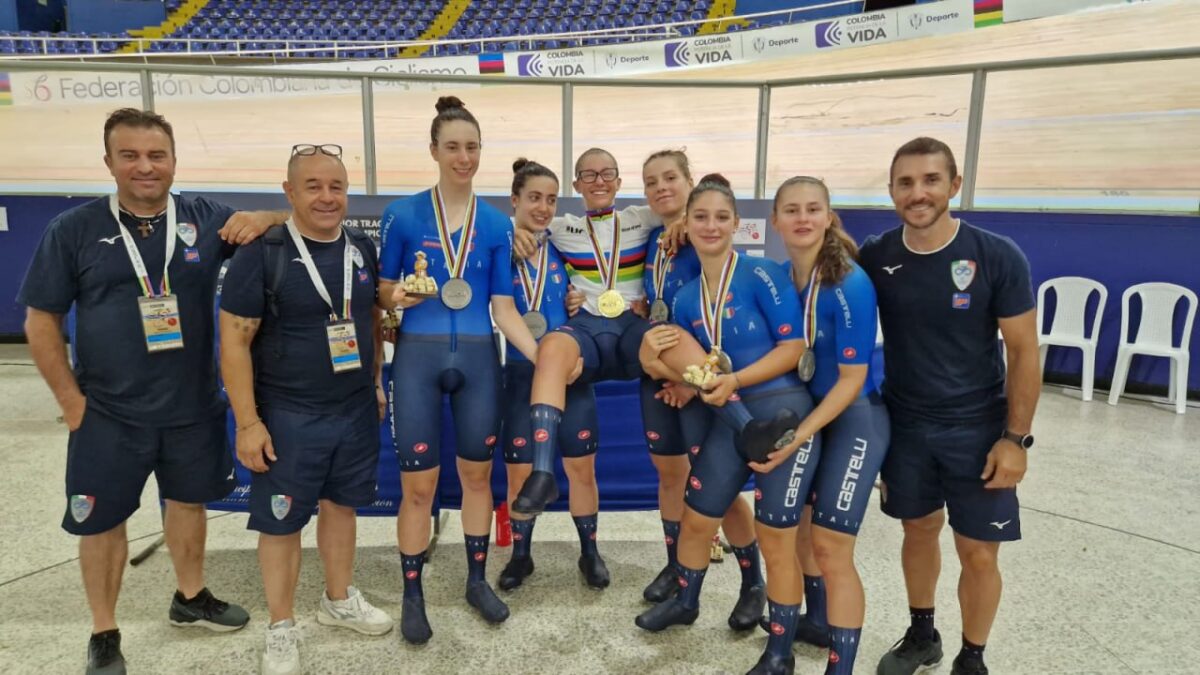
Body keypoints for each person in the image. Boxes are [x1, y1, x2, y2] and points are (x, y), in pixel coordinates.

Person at [17, 108, 285, 674]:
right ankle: (104, 631)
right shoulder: (74, 229)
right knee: (101, 522)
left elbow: (288, 222)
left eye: (156, 155)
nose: (145, 166)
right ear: (108, 161)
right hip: (108, 412)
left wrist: (264, 215)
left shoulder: (204, 218)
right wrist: (72, 404)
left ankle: (190, 598)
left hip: (191, 407)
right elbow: (41, 322)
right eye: (130, 156)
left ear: (173, 161)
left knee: (188, 503)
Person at [861, 138, 1040, 675]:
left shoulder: (997, 255)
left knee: (978, 551)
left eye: (931, 180)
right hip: (906, 425)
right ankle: (923, 636)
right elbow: (817, 264)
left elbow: (1024, 351)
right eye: (906, 182)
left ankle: (973, 657)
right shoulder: (877, 256)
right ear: (892, 190)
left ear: (954, 185)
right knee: (917, 530)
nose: (918, 193)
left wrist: (1016, 439)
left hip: (978, 429)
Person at [635, 174, 820, 675]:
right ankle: (687, 601)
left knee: (777, 538)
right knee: (698, 519)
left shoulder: (763, 274)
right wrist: (664, 368)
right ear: (687, 224)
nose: (711, 226)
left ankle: (780, 653)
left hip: (780, 411)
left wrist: (733, 379)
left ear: (737, 223)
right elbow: (693, 363)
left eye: (721, 217)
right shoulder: (686, 297)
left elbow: (793, 348)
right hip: (726, 414)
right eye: (701, 217)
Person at [219, 145, 393, 674]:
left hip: (354, 409)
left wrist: (376, 381)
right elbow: (234, 341)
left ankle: (337, 600)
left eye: (336, 187)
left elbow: (368, 318)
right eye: (312, 186)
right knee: (281, 522)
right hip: (288, 415)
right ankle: (280, 625)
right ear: (289, 192)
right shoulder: (261, 253)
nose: (326, 197)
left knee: (342, 507)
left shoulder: (361, 246)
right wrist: (248, 423)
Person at [377, 97, 539, 644]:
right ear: (434, 151)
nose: (463, 157)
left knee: (476, 478)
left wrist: (543, 357)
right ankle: (413, 594)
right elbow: (382, 290)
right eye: (452, 147)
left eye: (471, 147)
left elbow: (503, 309)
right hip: (417, 359)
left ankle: (475, 581)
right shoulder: (402, 214)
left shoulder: (495, 224)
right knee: (418, 487)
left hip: (477, 359)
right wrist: (395, 297)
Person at [752, 176, 888, 674]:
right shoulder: (780, 277)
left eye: (813, 209)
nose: (803, 218)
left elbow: (851, 381)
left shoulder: (850, 283)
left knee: (832, 548)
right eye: (791, 210)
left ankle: (840, 667)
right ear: (775, 221)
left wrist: (799, 435)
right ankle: (813, 622)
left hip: (853, 420)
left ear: (829, 217)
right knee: (800, 535)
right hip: (809, 416)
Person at [637, 150, 765, 632]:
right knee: (671, 477)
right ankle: (678, 567)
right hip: (661, 378)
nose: (661, 187)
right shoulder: (655, 240)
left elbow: (720, 323)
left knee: (718, 488)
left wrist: (691, 382)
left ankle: (753, 583)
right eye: (652, 181)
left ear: (691, 181)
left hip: (703, 386)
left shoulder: (705, 238)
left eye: (671, 177)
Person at [497, 158, 601, 591]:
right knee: (520, 474)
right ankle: (521, 556)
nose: (543, 208)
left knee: (581, 469)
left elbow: (586, 297)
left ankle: (590, 552)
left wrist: (577, 300)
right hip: (522, 375)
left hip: (570, 377)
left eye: (551, 200)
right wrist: (508, 237)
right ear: (515, 200)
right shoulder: (499, 247)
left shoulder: (563, 247)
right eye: (534, 198)